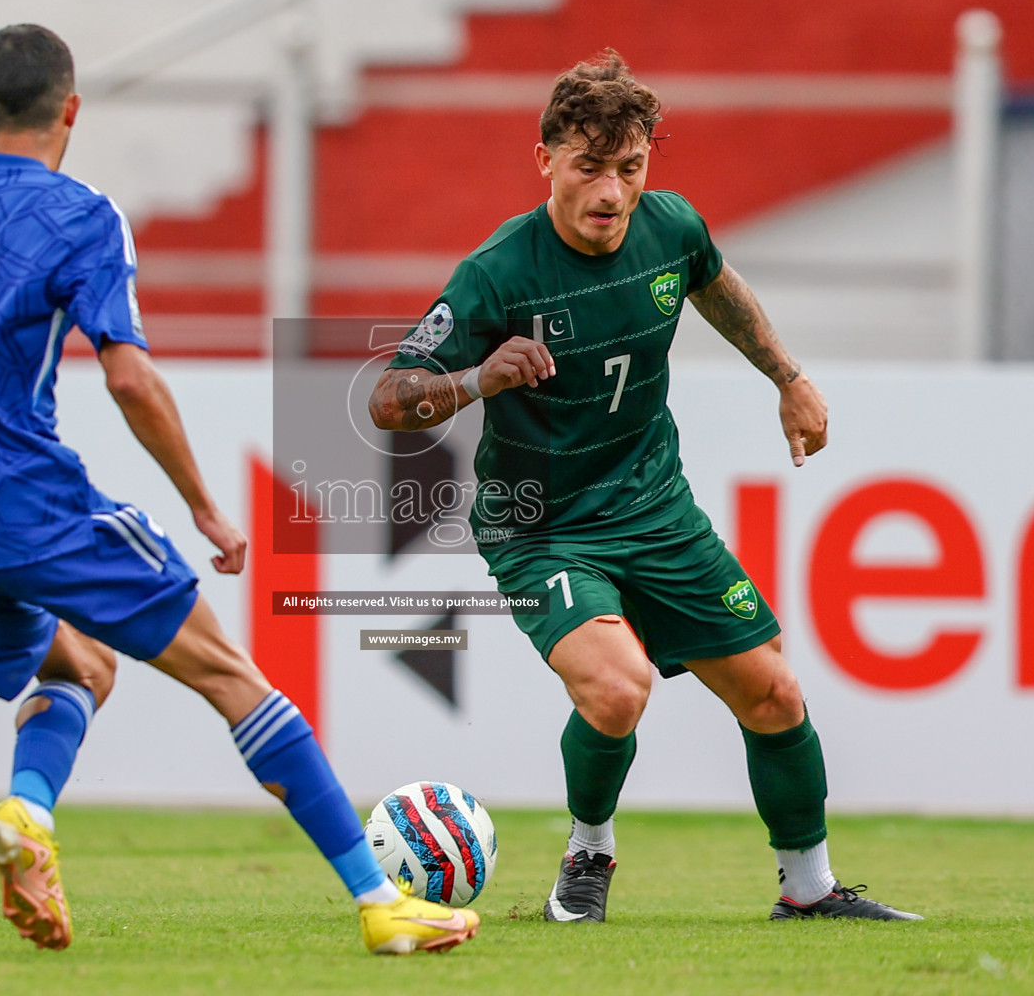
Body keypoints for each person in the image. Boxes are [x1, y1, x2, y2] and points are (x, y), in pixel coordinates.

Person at [0, 24, 478, 956]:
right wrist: (201, 504)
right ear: (72, 110)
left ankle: (27, 812)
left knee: (79, 665)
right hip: (26, 503)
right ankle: (379, 900)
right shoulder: (81, 214)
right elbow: (129, 377)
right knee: (232, 676)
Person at [369, 51, 922, 924]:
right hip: (543, 527)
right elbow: (389, 398)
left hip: (654, 508)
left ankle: (808, 889)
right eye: (590, 168)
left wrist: (789, 377)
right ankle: (588, 852)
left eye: (630, 169)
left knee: (774, 691)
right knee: (620, 686)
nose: (612, 194)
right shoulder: (498, 273)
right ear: (544, 158)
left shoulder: (672, 229)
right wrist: (478, 379)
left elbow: (714, 284)